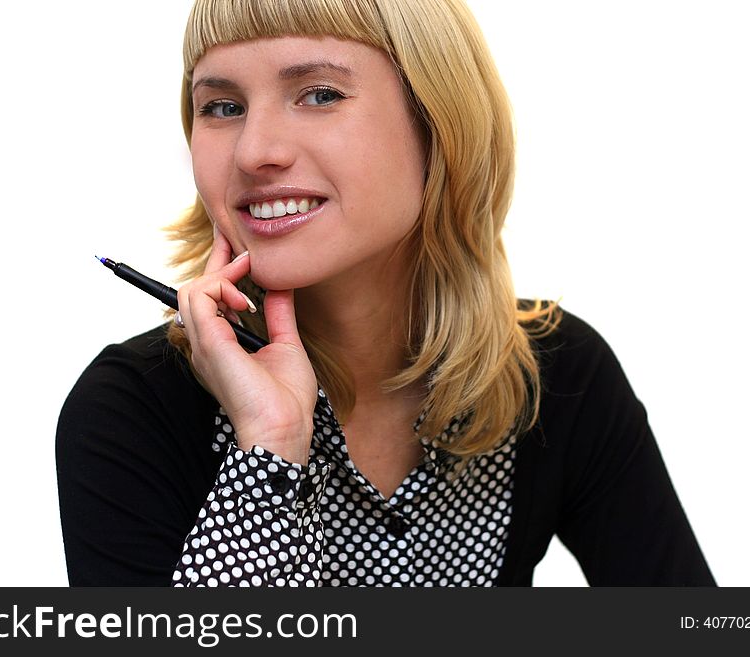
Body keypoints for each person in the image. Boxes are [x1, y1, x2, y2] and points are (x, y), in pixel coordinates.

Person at [56, 0, 715, 587]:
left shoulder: (559, 373)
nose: (256, 151)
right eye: (223, 107)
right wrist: (268, 448)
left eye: (318, 94)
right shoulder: (129, 410)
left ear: (439, 123)